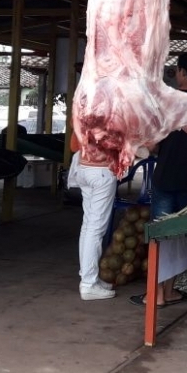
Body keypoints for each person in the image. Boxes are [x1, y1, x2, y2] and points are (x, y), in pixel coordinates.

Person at [130, 53, 187, 308]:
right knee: (180, 235)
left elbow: (153, 145)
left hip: (165, 177)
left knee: (160, 235)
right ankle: (168, 291)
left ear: (182, 72)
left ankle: (155, 294)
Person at [69, 129, 118, 301]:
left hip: (84, 168)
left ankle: (88, 276)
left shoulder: (82, 112)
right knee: (95, 229)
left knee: (88, 226)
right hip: (101, 171)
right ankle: (88, 284)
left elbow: (73, 145)